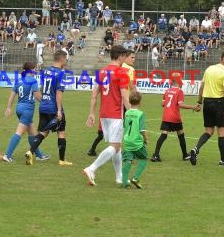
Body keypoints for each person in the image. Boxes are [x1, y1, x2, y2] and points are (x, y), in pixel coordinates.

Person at [83, 46, 130, 186]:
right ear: (120, 57)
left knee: (117, 147)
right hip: (116, 114)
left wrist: (91, 113)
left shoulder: (101, 72)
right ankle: (91, 169)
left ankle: (119, 177)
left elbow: (93, 94)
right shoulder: (122, 72)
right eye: (125, 56)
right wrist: (133, 114)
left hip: (104, 114)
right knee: (115, 146)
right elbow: (125, 96)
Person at [24, 51, 73, 166]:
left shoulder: (45, 71)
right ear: (61, 59)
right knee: (61, 132)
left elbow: (42, 88)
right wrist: (59, 110)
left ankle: (30, 151)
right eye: (65, 59)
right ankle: (62, 160)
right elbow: (58, 93)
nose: (66, 61)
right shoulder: (61, 73)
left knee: (44, 131)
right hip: (53, 108)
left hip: (43, 107)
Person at [189, 50, 224, 166]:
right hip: (219, 103)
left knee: (209, 131)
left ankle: (196, 149)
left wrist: (199, 102)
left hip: (207, 103)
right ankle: (223, 159)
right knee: (222, 132)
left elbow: (201, 87)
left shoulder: (209, 69)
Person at [3, 62, 49, 162]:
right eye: (34, 69)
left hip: (19, 109)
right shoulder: (33, 80)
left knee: (32, 134)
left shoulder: (19, 80)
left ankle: (40, 156)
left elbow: (12, 95)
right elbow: (37, 96)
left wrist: (9, 108)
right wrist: (46, 103)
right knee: (19, 133)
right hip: (27, 110)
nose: (36, 71)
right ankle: (7, 155)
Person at [150, 76, 199, 162]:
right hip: (175, 117)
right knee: (181, 134)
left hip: (166, 116)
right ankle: (184, 155)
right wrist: (193, 107)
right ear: (179, 82)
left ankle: (156, 155)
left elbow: (162, 104)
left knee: (164, 135)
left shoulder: (167, 91)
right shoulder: (179, 91)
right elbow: (180, 104)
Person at [120, 91, 147, 189]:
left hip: (127, 141)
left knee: (127, 160)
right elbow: (142, 130)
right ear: (140, 102)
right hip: (137, 142)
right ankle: (135, 178)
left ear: (130, 102)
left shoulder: (127, 113)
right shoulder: (141, 114)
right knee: (144, 158)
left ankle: (124, 182)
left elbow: (124, 126)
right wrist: (146, 139)